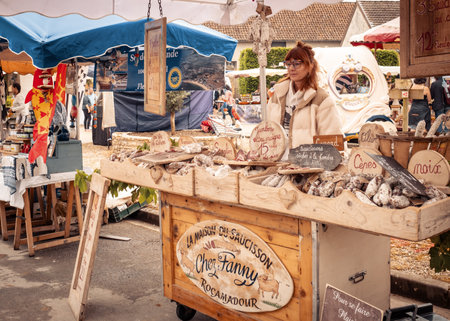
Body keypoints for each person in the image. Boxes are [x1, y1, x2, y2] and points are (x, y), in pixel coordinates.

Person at [267, 41, 342, 148]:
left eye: (297, 63)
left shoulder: (322, 100)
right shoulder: (277, 95)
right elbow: (267, 132)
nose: (291, 68)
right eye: (288, 63)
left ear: (310, 66)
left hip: (308, 163)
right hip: (277, 162)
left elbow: (333, 139)